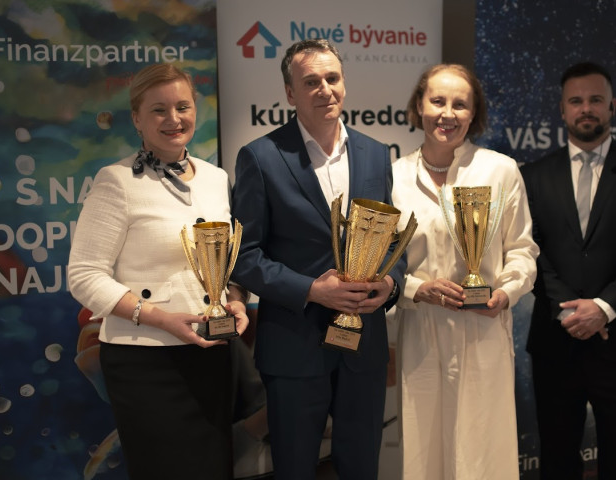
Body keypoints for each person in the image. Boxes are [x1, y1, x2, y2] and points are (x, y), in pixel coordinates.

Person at [229, 39, 406, 479]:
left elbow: (391, 242)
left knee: (362, 468)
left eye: (332, 78)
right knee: (294, 469)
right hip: (295, 349)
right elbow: (244, 257)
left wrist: (390, 284)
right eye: (311, 82)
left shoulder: (375, 153)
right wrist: (311, 290)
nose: (325, 89)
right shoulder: (260, 157)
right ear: (290, 93)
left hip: (363, 346)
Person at [68, 63, 248, 480]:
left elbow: (226, 262)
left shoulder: (216, 178)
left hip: (211, 355)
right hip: (144, 362)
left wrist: (236, 300)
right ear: (136, 119)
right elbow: (84, 275)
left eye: (182, 107)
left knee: (213, 468)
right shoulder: (116, 181)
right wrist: (159, 318)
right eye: (158, 110)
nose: (173, 119)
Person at [521, 62, 616, 480]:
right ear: (562, 109)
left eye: (595, 100)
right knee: (557, 459)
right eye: (576, 101)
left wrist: (604, 308)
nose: (585, 108)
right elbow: (528, 249)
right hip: (557, 340)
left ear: (612, 106)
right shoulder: (532, 176)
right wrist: (569, 310)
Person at [391, 64, 539, 479]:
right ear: (419, 106)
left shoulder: (500, 170)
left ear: (474, 113)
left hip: (483, 329)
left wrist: (505, 293)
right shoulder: (394, 176)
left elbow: (522, 251)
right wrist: (415, 289)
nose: (447, 113)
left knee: (481, 451)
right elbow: (384, 264)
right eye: (437, 101)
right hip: (420, 330)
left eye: (460, 104)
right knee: (423, 452)